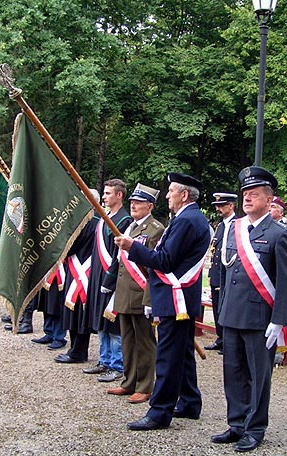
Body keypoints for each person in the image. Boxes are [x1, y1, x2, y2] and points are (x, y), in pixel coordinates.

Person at [115, 172, 211, 431]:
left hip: (175, 299)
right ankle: (190, 401)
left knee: (168, 357)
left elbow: (165, 260)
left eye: (170, 191)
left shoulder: (187, 221)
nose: (167, 195)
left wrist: (132, 247)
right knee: (182, 355)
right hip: (179, 299)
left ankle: (159, 412)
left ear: (183, 194)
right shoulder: (189, 218)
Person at [212, 166, 287, 452]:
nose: (247, 199)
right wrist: (221, 312)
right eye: (245, 194)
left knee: (259, 376)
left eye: (254, 194)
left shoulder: (279, 234)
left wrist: (279, 320)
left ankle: (255, 427)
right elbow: (226, 273)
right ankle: (236, 423)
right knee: (233, 372)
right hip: (232, 315)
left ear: (269, 199)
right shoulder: (234, 229)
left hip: (260, 318)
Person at [103, 184, 164, 404]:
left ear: (150, 205)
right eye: (132, 202)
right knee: (127, 339)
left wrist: (150, 299)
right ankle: (129, 382)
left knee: (145, 342)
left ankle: (145, 385)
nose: (134, 205)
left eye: (139, 203)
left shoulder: (155, 229)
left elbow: (153, 267)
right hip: (124, 292)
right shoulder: (129, 228)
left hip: (140, 293)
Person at [84, 179, 132, 383]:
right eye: (103, 193)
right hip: (98, 275)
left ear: (119, 195)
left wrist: (109, 280)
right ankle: (104, 360)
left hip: (112, 278)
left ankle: (117, 364)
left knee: (112, 321)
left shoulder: (124, 221)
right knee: (101, 320)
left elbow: (119, 256)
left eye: (108, 193)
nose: (104, 197)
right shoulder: (104, 218)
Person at [54, 191, 100, 365]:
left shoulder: (88, 221)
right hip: (79, 267)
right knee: (74, 312)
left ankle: (77, 352)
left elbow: (70, 245)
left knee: (79, 313)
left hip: (82, 270)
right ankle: (75, 349)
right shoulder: (92, 220)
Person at [204, 192, 237, 353]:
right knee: (217, 307)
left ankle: (229, 342)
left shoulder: (237, 225)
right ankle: (221, 338)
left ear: (231, 206)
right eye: (217, 205)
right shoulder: (221, 226)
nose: (218, 208)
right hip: (217, 274)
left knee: (227, 308)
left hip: (228, 275)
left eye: (221, 205)